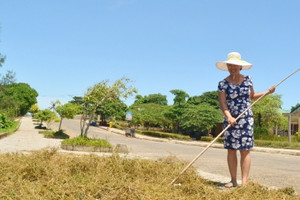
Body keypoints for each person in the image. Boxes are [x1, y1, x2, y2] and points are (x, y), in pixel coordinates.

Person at [216, 52, 276, 188]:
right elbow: (223, 103)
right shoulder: (222, 84)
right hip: (230, 119)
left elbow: (253, 96)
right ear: (227, 66)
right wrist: (229, 117)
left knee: (245, 150)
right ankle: (233, 180)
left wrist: (268, 92)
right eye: (230, 65)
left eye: (235, 65)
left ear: (240, 66)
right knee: (231, 150)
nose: (233, 67)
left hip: (246, 119)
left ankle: (244, 183)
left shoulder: (248, 79)